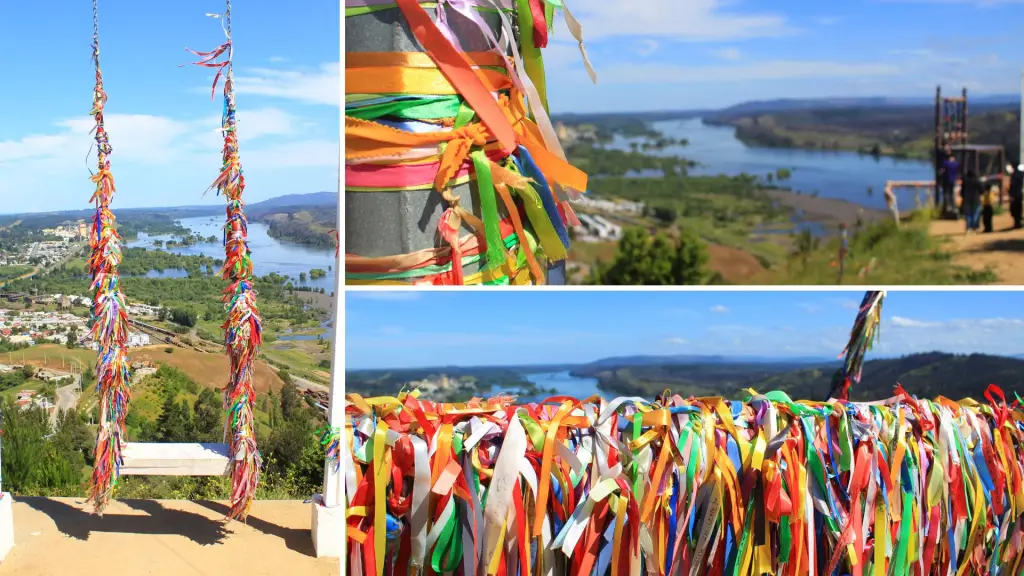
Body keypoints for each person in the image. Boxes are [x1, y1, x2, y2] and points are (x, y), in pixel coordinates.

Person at [1011, 164, 1024, 229]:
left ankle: (1017, 223)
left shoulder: (1014, 175)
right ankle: (1018, 223)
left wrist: (1012, 195)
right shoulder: (1021, 174)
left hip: (1016, 194)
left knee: (1015, 210)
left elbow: (1013, 186)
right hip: (1019, 194)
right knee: (1018, 209)